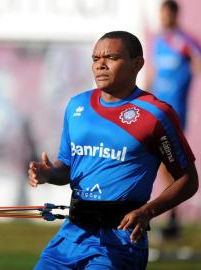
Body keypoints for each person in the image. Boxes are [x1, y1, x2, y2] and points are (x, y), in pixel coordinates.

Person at [28, 31, 198, 269]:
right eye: (95, 59)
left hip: (121, 241)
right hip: (71, 236)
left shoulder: (156, 114)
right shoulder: (77, 106)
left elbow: (188, 180)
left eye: (111, 58)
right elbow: (66, 168)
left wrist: (148, 211)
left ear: (137, 64)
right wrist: (48, 173)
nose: (100, 65)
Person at [150, 0, 201, 239]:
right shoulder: (158, 42)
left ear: (174, 15)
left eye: (167, 14)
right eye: (161, 14)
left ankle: (171, 217)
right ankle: (171, 217)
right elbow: (153, 74)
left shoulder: (185, 41)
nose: (163, 18)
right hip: (156, 111)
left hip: (175, 112)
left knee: (170, 162)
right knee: (163, 164)